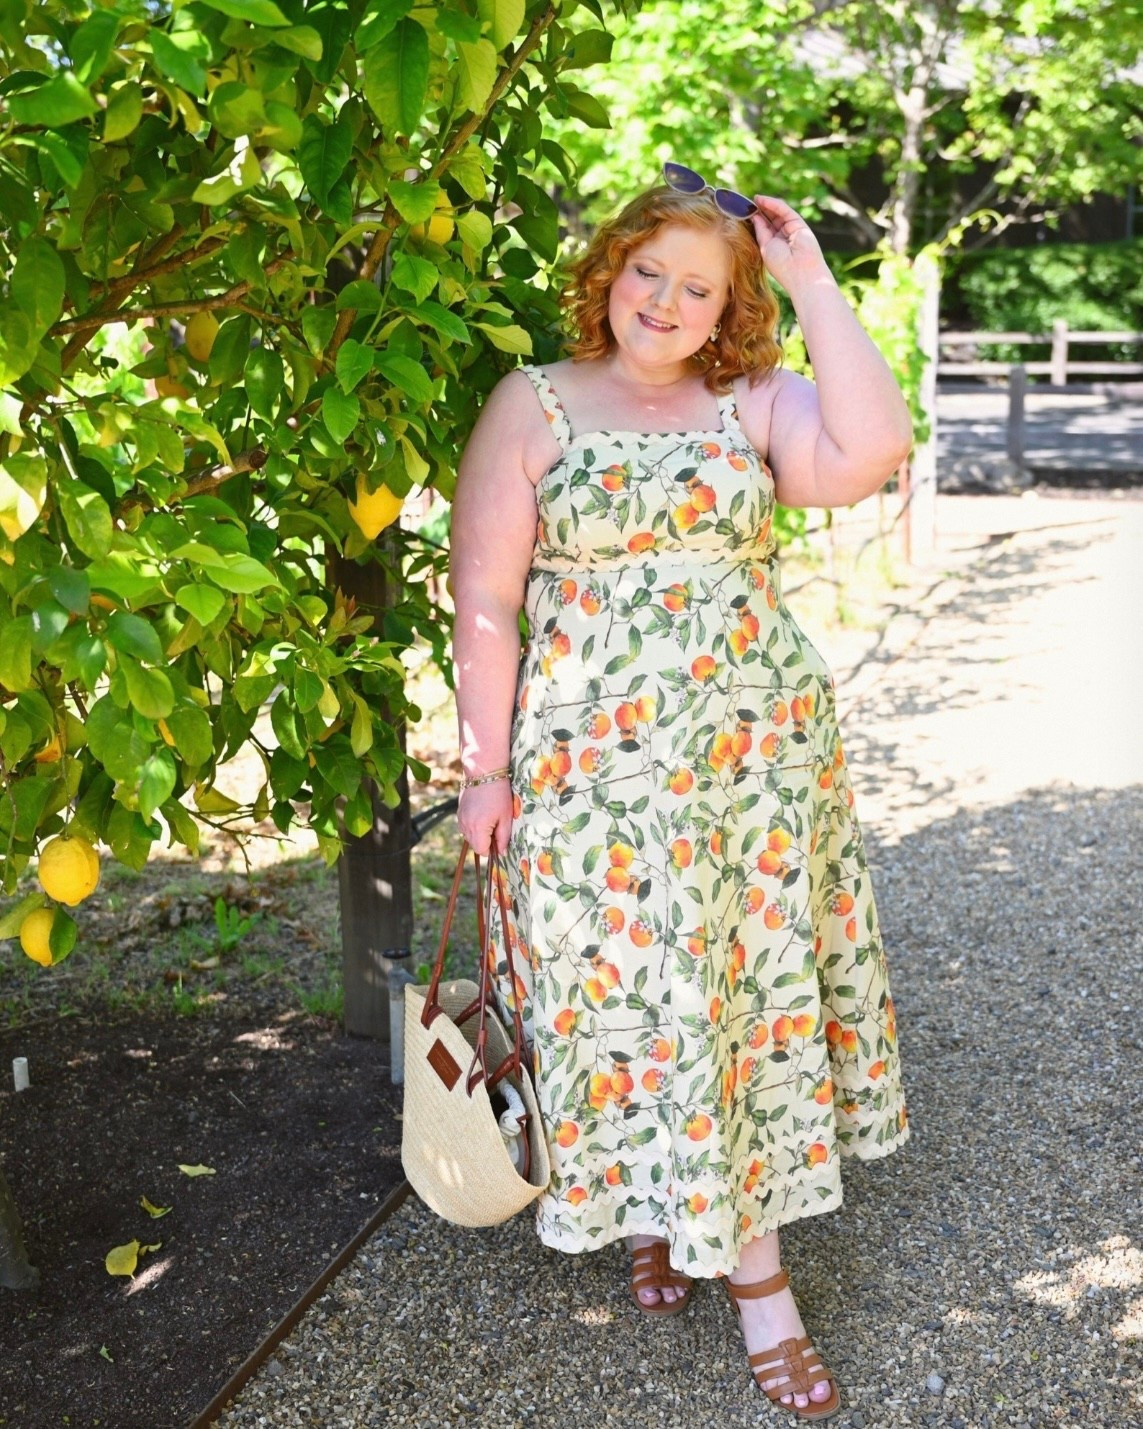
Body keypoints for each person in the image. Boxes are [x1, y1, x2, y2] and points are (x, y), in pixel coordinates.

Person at [450, 167, 912, 1422]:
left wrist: (813, 279)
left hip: (751, 772)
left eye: (700, 286)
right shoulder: (533, 401)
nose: (666, 299)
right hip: (593, 779)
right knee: (633, 996)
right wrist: (483, 769)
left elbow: (871, 451)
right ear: (611, 270)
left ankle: (756, 1279)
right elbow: (486, 597)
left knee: (738, 1000)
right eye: (649, 269)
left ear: (731, 308)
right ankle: (665, 1209)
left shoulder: (752, 399)